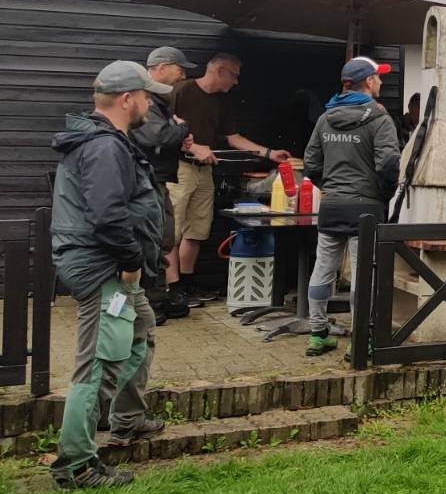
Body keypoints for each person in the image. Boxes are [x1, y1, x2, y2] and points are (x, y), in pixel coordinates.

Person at [49, 61, 169, 489]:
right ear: (126, 99)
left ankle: (128, 418)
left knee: (141, 330)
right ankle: (75, 464)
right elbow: (107, 216)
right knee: (98, 362)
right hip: (106, 267)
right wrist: (133, 262)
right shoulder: (104, 147)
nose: (149, 103)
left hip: (113, 267)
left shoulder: (106, 141)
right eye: (146, 96)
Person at [300, 57, 401, 356]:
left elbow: (310, 164)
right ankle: (362, 340)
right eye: (378, 77)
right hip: (366, 209)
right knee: (362, 273)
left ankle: (318, 334)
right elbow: (388, 165)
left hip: (331, 205)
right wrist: (383, 195)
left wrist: (330, 189)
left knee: (323, 269)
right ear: (368, 81)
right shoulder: (380, 119)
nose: (381, 82)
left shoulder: (325, 119)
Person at [168, 54, 289, 303]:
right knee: (173, 230)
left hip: (205, 171)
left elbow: (234, 138)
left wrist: (269, 153)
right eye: (234, 76)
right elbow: (162, 125)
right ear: (221, 71)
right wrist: (193, 147)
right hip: (180, 168)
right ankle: (172, 288)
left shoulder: (222, 101)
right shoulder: (182, 90)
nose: (236, 82)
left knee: (197, 229)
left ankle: (188, 283)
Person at [128, 46, 197, 323]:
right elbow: (156, 136)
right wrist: (180, 128)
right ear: (161, 67)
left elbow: (162, 137)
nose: (182, 75)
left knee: (163, 237)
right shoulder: (144, 97)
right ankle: (149, 304)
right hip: (147, 181)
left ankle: (155, 299)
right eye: (179, 69)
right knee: (152, 240)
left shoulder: (156, 100)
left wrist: (178, 138)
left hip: (157, 178)